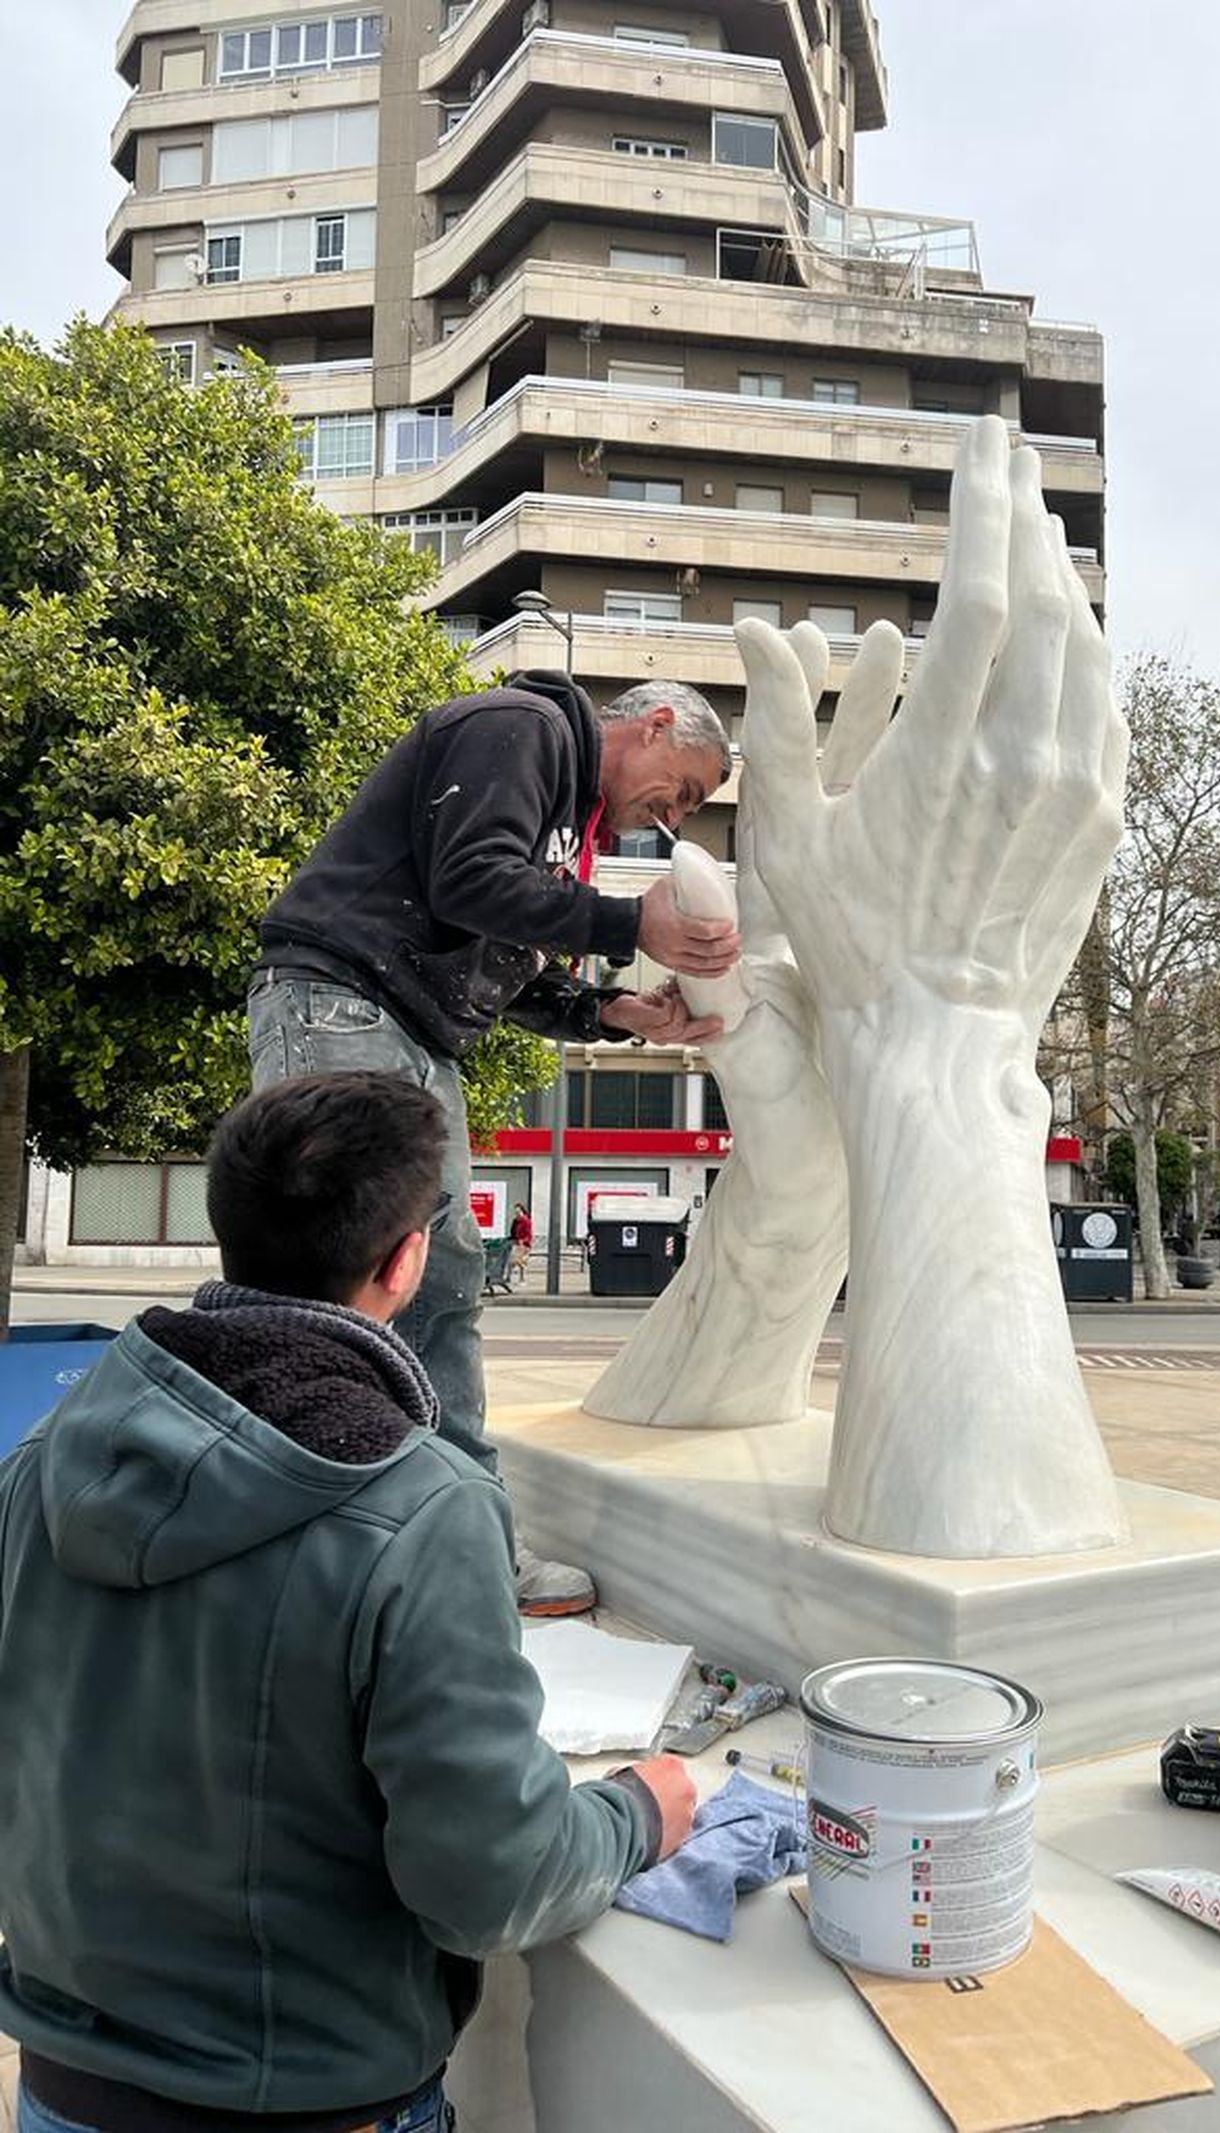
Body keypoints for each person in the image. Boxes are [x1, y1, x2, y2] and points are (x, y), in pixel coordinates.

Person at [0, 1072, 695, 2133]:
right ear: (407, 1258)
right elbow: (492, 1882)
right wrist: (636, 1813)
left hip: (64, 2087)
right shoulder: (421, 1508)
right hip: (305, 2099)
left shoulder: (48, 1453)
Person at [249, 671, 738, 1613]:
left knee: (439, 1276)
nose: (674, 817)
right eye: (684, 788)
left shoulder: (566, 828)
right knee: (340, 1270)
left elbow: (502, 955)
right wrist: (632, 922)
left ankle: (459, 1542)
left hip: (404, 1024)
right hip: (344, 998)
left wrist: (610, 1011)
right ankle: (308, 1545)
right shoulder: (525, 728)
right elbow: (470, 878)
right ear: (656, 723)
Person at [510, 1199, 534, 1274]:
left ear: (522, 1211)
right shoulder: (516, 1221)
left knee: (519, 1261)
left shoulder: (526, 1221)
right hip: (517, 1243)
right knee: (514, 1260)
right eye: (516, 1212)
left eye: (518, 1212)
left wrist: (523, 1241)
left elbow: (529, 1234)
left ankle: (522, 1276)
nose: (517, 1214)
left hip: (524, 1244)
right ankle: (514, 1275)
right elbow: (513, 1231)